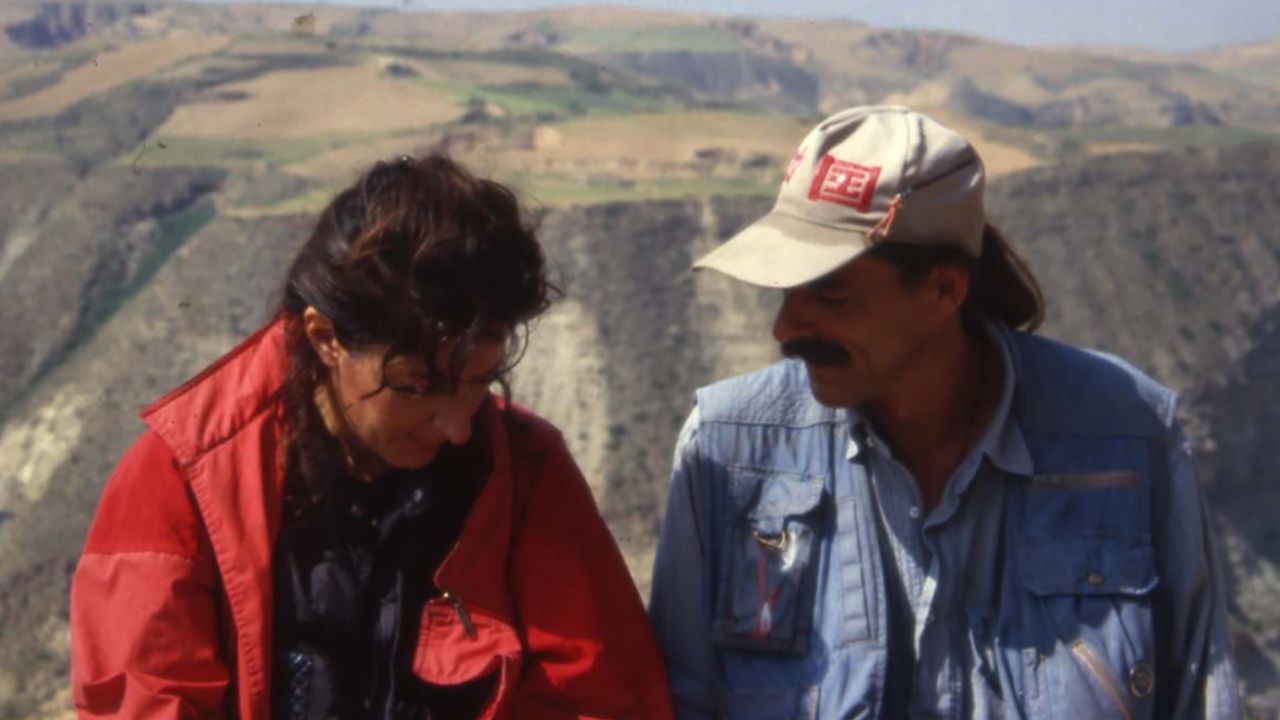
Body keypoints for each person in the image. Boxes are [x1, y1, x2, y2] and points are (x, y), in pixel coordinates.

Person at [648, 106, 1240, 719]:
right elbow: (678, 696)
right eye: (784, 292)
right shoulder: (727, 451)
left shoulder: (1132, 438)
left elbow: (1200, 693)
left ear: (943, 291)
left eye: (830, 296)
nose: (787, 328)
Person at [70, 154, 674, 720]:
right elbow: (146, 699)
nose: (459, 425)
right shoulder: (185, 477)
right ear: (325, 338)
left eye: (480, 383)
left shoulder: (524, 471)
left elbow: (600, 695)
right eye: (416, 387)